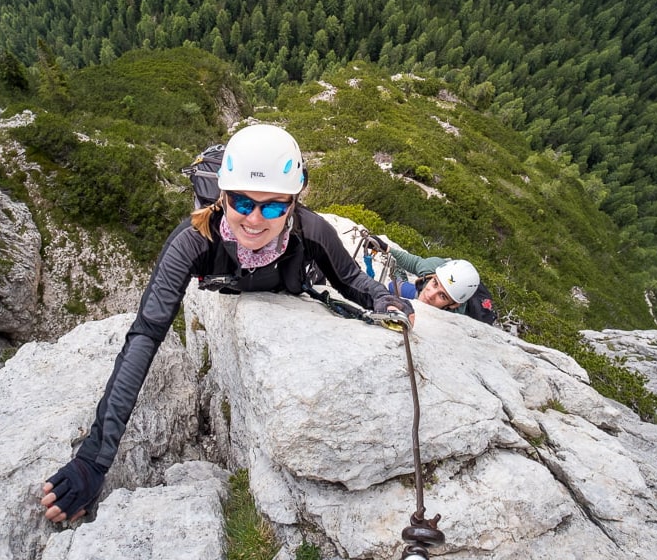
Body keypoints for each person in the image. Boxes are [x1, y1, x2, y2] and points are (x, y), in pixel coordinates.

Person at [40, 124, 414, 524]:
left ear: (292, 203)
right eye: (241, 202)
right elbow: (146, 335)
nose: (254, 219)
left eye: (272, 206)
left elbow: (350, 280)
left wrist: (383, 298)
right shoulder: (193, 240)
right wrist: (94, 461)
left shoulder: (310, 230)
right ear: (222, 195)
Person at [369, 237, 497, 325]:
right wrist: (386, 248)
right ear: (433, 276)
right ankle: (399, 273)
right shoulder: (433, 268)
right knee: (393, 286)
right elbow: (414, 262)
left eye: (442, 296)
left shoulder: (457, 318)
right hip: (421, 290)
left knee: (396, 289)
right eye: (435, 283)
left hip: (437, 309)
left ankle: (400, 275)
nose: (430, 295)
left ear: (453, 305)